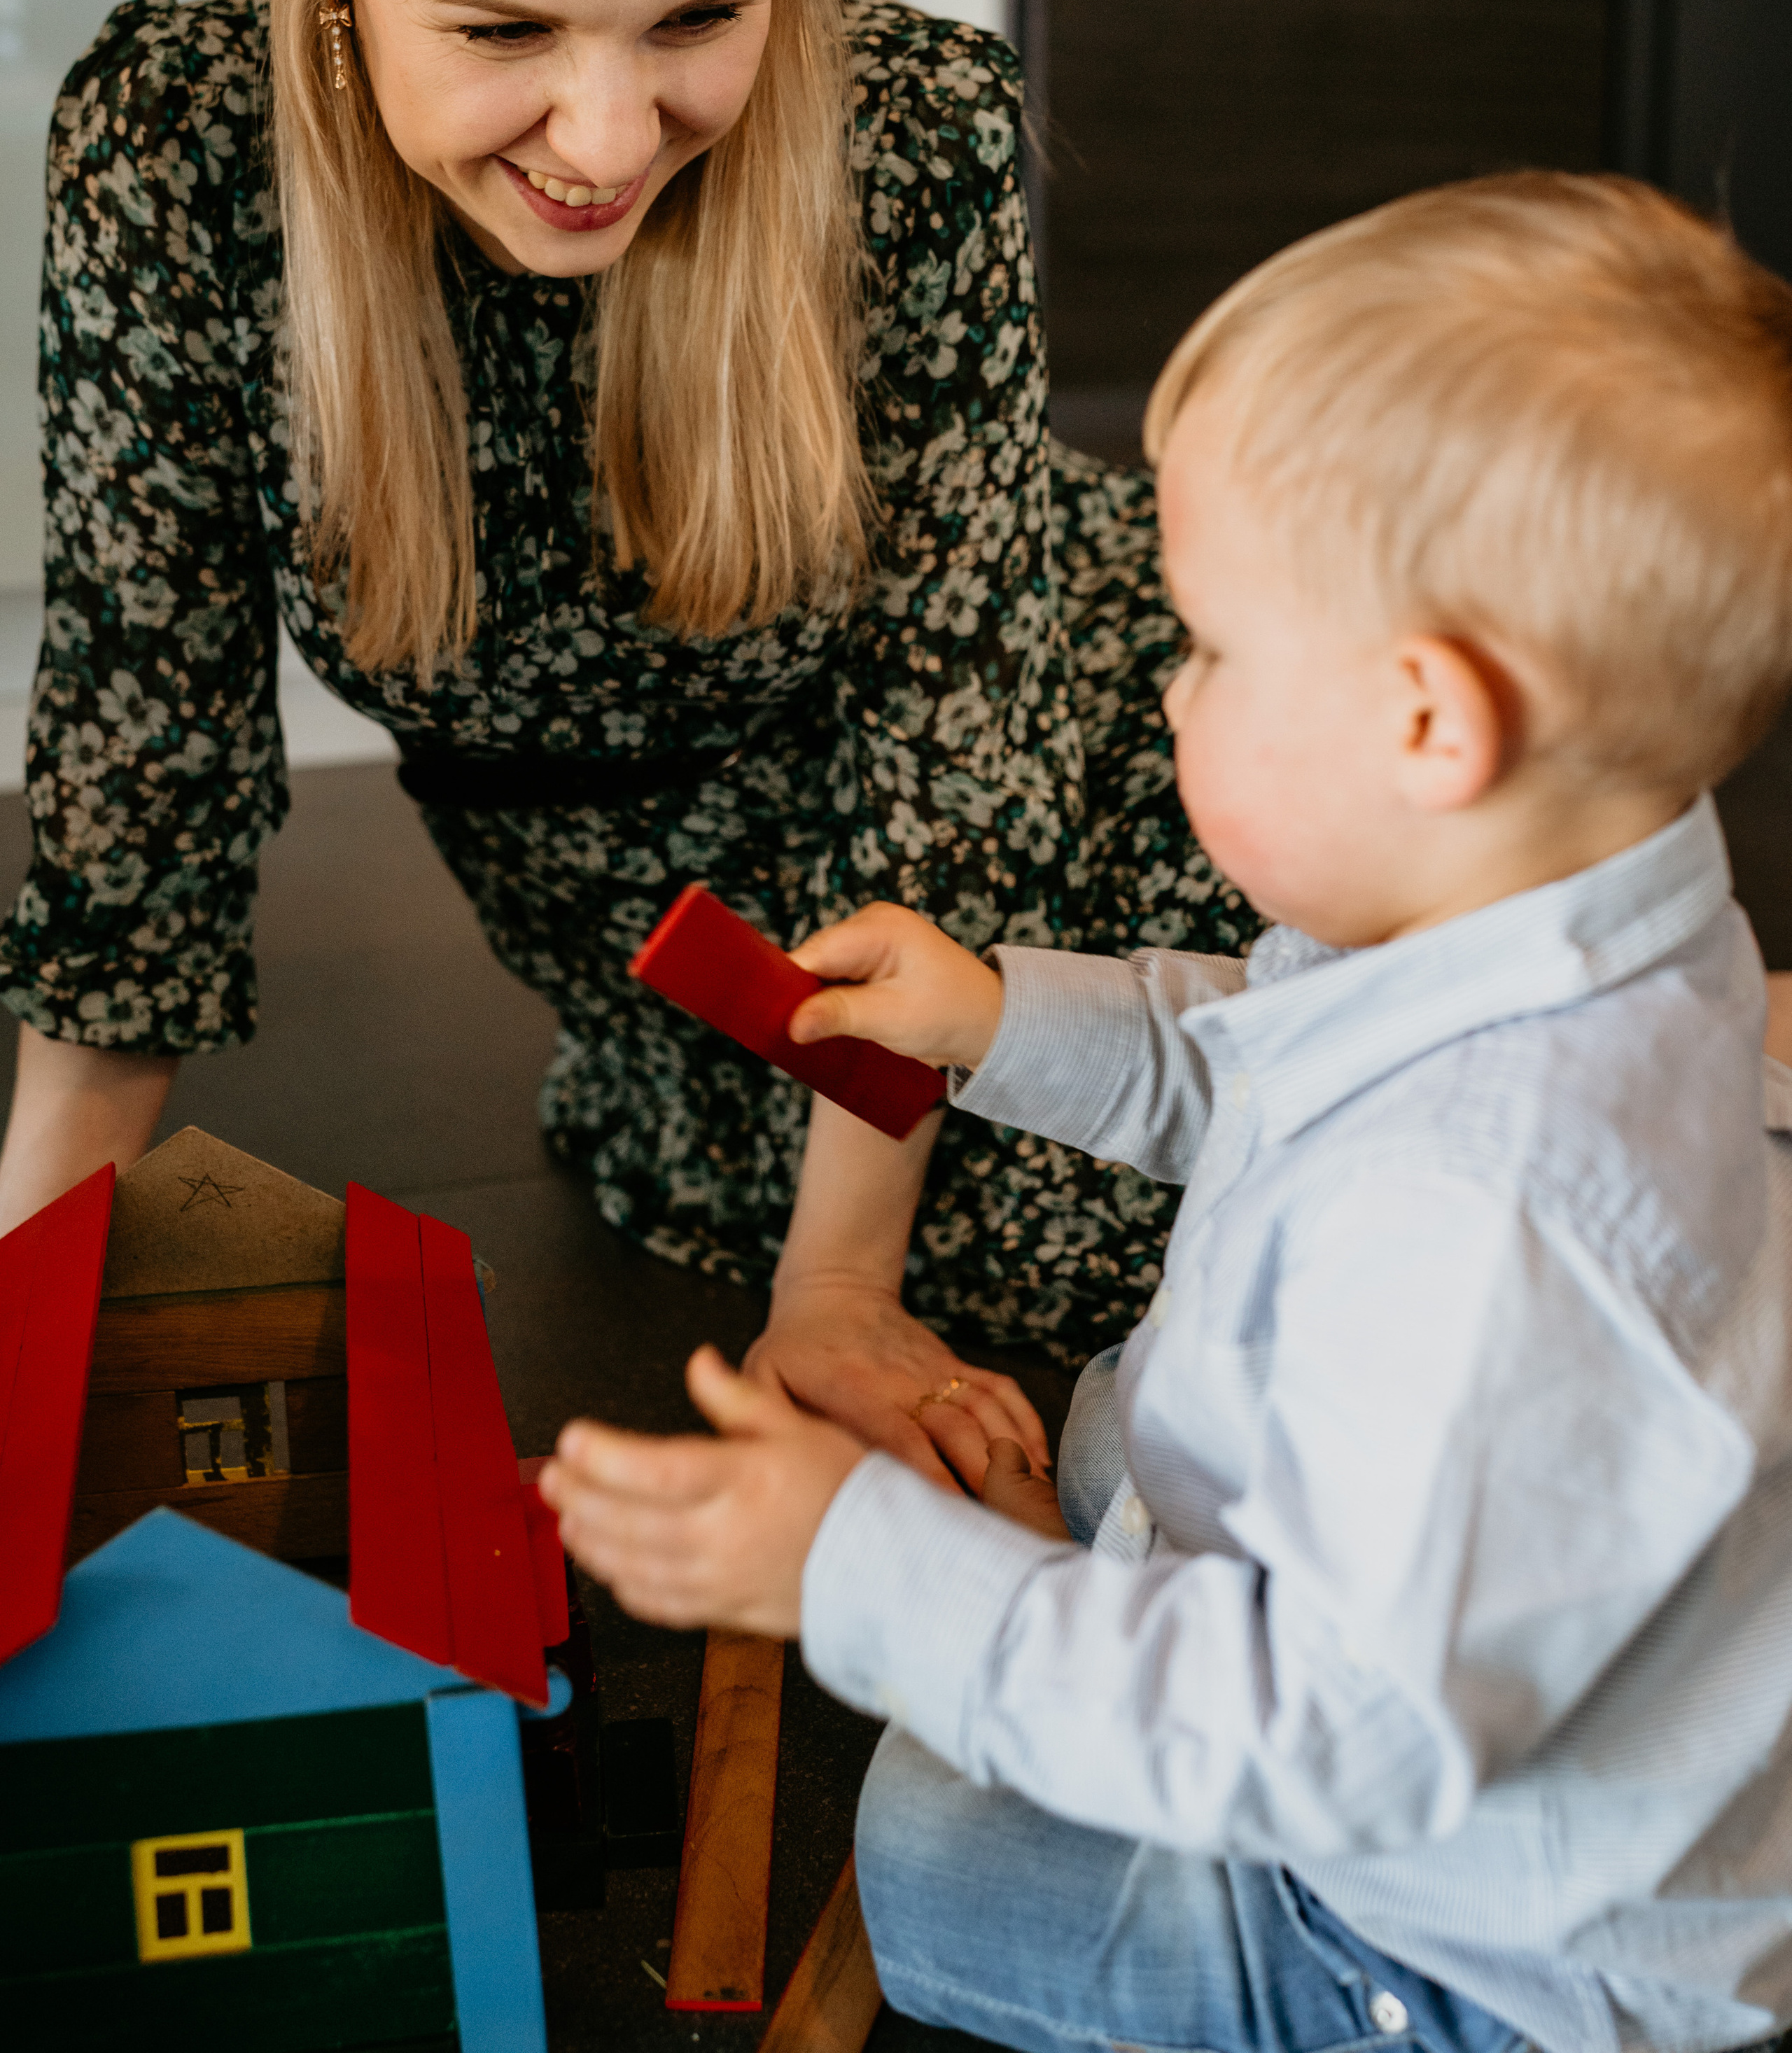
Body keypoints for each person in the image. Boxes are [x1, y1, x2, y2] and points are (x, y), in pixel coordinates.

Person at [0, 0, 1251, 1479]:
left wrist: (839, 1288)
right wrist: (34, 1284)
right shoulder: (172, 151)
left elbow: (955, 739)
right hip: (681, 968)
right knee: (1076, 1233)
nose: (604, 134)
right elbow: (135, 749)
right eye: (503, 31)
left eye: (699, 18)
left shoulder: (914, 133)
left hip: (1050, 776)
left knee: (1265, 1147)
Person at [542, 172, 1792, 2053]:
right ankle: (1099, 1605)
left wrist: (854, 1569)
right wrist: (995, 1016)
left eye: (1208, 646)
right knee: (1127, 1428)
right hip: (1457, 1617)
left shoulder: (1494, 1217)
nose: (1166, 676)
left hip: (1453, 1950)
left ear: (1430, 726)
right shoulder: (1577, 892)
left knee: (936, 1846)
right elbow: (1261, 1055)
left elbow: (1335, 1741)